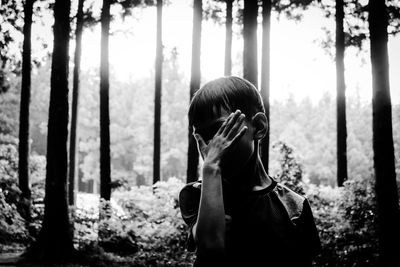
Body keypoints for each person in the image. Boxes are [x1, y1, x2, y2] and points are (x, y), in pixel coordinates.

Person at [179, 76, 321, 267]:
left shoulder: (294, 205)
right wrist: (211, 168)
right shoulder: (196, 194)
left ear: (259, 127)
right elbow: (210, 248)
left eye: (220, 129)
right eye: (204, 137)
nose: (213, 145)